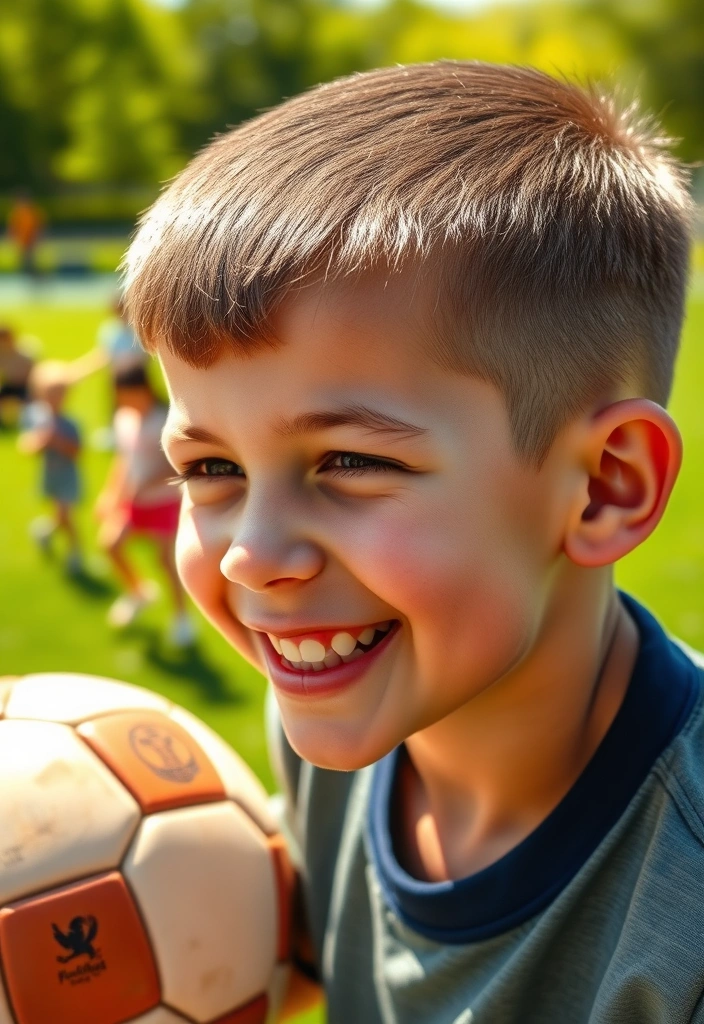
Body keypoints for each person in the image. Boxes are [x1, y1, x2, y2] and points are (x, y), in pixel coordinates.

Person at [122, 62, 702, 1022]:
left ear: (605, 486)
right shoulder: (335, 711)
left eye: (349, 463)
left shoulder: (676, 923)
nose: (252, 555)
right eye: (211, 471)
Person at [95, 365, 195, 647]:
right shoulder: (124, 419)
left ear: (144, 389)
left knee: (166, 561)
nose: (124, 401)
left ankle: (181, 618)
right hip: (134, 501)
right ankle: (139, 592)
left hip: (163, 501)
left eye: (128, 395)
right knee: (110, 544)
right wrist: (110, 493)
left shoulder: (163, 422)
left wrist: (146, 483)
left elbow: (176, 465)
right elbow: (124, 459)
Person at [18, 360, 83, 573]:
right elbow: (26, 446)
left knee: (65, 515)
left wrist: (58, 442)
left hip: (67, 476)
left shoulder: (70, 423)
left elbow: (77, 453)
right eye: (51, 394)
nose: (56, 400)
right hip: (49, 474)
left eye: (60, 394)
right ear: (40, 394)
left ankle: (75, 551)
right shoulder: (35, 418)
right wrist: (40, 442)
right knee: (60, 514)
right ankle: (45, 532)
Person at [0, 325, 34, 428]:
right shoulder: (2, 355)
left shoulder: (25, 354)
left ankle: (27, 423)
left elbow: (32, 374)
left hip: (24, 387)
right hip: (8, 385)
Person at [7, 191, 44, 277]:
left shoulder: (32, 212)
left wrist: (38, 237)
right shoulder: (17, 213)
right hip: (23, 241)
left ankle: (37, 278)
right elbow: (13, 227)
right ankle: (34, 278)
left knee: (29, 260)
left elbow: (38, 226)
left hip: (30, 240)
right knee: (26, 261)